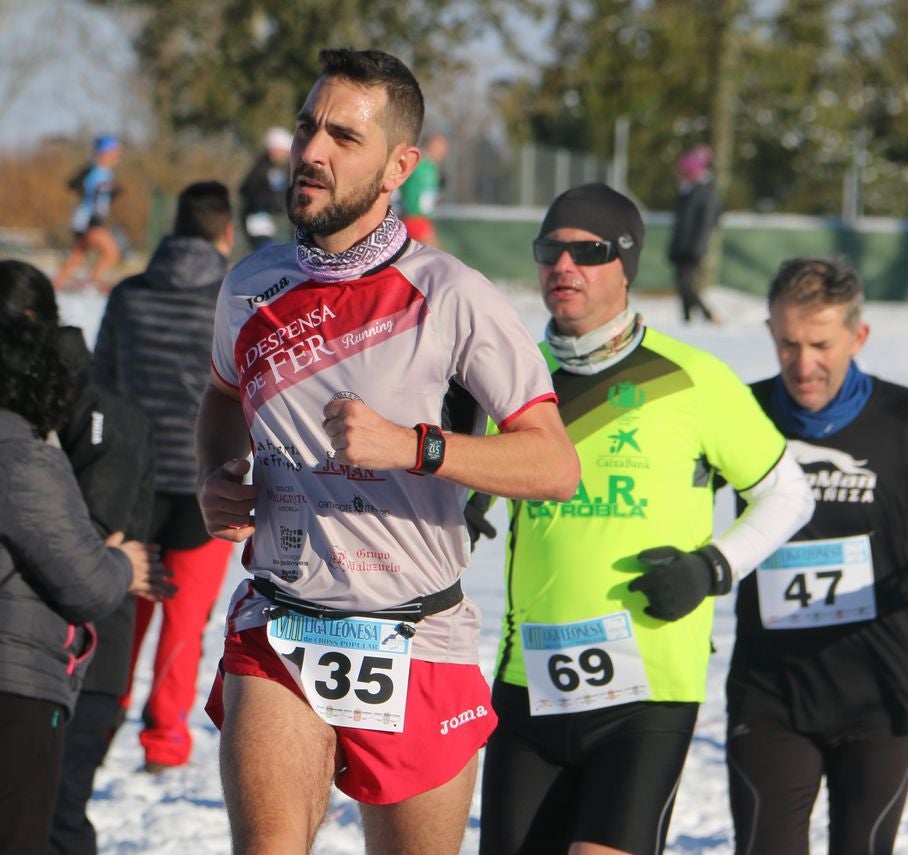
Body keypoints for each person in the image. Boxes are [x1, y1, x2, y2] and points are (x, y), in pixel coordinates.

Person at [196, 48, 579, 855]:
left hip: (416, 632)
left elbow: (553, 465)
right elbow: (225, 395)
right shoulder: (251, 286)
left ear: (400, 165)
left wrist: (418, 447)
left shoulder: (450, 293)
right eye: (307, 127)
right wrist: (215, 475)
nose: (312, 152)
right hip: (283, 625)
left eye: (343, 136)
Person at [477, 183, 815, 855]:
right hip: (529, 682)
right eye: (551, 249)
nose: (563, 266)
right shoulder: (513, 377)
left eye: (589, 251)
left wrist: (711, 567)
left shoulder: (693, 378)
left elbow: (789, 495)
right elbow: (463, 486)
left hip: (647, 687)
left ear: (627, 264)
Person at [725, 257, 908, 855]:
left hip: (879, 691)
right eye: (787, 344)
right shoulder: (741, 412)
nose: (803, 365)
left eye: (820, 344)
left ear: (858, 337)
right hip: (770, 690)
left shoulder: (906, 418)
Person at [0, 275, 163, 854]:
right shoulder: (23, 446)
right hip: (29, 671)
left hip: (67, 667)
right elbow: (88, 567)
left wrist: (110, 560)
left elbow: (88, 555)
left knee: (57, 818)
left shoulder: (88, 420)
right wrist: (115, 560)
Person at [92, 181, 238, 774]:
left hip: (131, 484)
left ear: (172, 228)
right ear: (225, 231)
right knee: (185, 623)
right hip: (208, 484)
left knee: (122, 615)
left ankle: (96, 728)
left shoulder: (129, 296)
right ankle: (165, 744)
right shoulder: (234, 299)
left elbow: (101, 384)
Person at [54, 135, 123, 291]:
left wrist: (112, 193)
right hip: (89, 219)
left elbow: (101, 195)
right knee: (112, 252)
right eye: (115, 152)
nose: (118, 157)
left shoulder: (106, 172)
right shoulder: (94, 170)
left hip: (85, 219)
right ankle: (89, 283)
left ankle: (55, 284)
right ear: (104, 152)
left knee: (77, 257)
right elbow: (75, 185)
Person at [667, 145, 720, 324]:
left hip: (693, 248)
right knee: (682, 286)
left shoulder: (704, 193)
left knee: (687, 285)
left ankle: (708, 314)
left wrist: (697, 247)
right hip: (681, 247)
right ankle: (687, 319)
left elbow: (705, 223)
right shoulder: (685, 192)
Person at [238, 126, 293, 250]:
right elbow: (250, 194)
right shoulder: (261, 171)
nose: (286, 155)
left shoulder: (278, 170)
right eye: (283, 151)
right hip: (261, 226)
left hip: (273, 227)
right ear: (274, 150)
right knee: (268, 255)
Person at [397, 131, 447, 246]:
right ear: (430, 145)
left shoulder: (434, 169)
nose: (443, 151)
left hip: (423, 219)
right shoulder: (417, 164)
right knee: (436, 256)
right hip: (412, 218)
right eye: (439, 146)